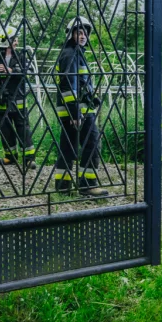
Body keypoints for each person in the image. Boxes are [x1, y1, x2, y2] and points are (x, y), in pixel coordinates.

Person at [53, 17, 108, 197]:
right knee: (92, 143)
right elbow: (69, 86)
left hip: (74, 109)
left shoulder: (74, 53)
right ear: (71, 35)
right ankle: (87, 185)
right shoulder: (71, 54)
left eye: (85, 33)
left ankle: (62, 185)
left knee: (68, 146)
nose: (83, 36)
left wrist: (93, 97)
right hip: (78, 111)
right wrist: (75, 112)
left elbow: (79, 84)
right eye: (79, 32)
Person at [0, 26, 36, 170]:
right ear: (7, 41)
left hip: (18, 99)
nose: (17, 42)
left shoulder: (21, 56)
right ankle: (10, 157)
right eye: (15, 39)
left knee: (23, 129)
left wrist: (12, 71)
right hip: (0, 101)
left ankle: (29, 159)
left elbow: (29, 72)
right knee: (5, 129)